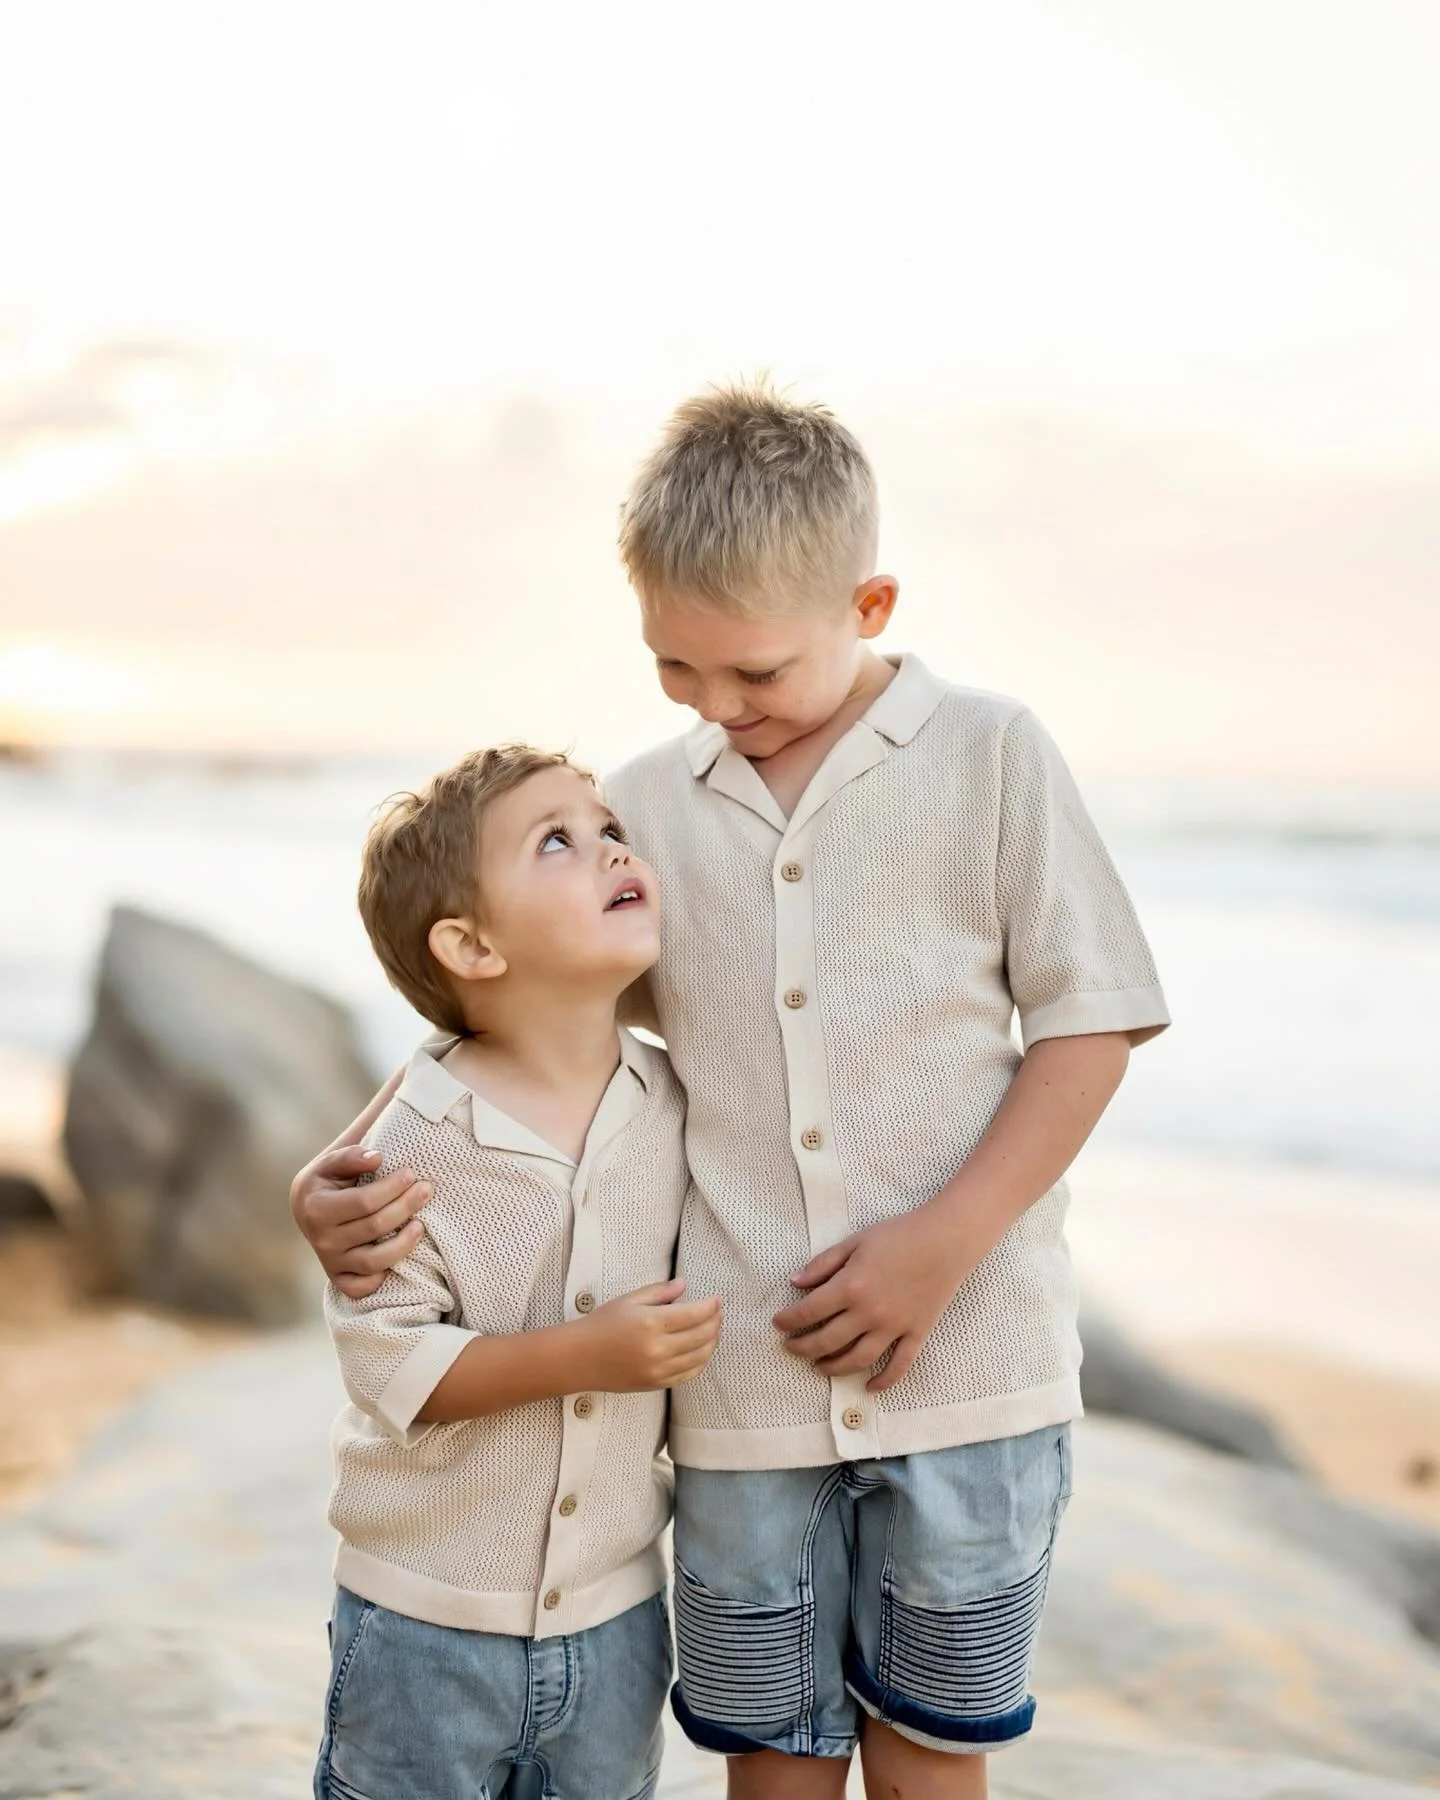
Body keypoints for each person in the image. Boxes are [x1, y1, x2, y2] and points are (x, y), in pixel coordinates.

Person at [294, 382, 1170, 1800]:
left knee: (935, 1741)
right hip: (744, 1394)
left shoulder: (990, 754)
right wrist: (326, 1172)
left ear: (868, 603)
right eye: (675, 670)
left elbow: (1094, 1024)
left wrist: (939, 1250)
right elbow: (520, 1017)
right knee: (770, 1739)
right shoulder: (651, 799)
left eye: (752, 674)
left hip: (973, 1373)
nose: (716, 708)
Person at [311, 744, 719, 1800]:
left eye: (610, 831)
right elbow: (392, 1369)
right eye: (558, 841)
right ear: (472, 944)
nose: (610, 850)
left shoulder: (676, 1096)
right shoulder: (411, 1147)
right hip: (425, 1626)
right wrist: (586, 1355)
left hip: (618, 1619)